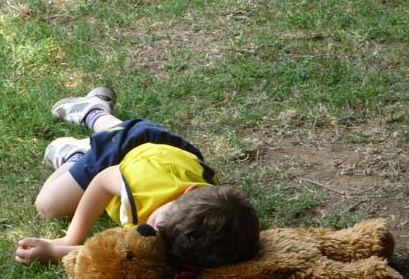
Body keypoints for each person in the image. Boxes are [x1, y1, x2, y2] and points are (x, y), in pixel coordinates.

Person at [15, 87, 260, 267]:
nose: (151, 235)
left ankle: (96, 116)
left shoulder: (205, 220)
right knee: (48, 206)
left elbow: (123, 252)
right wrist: (71, 239)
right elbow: (101, 182)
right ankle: (80, 143)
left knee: (117, 130)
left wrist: (55, 252)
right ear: (190, 191)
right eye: (157, 225)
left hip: (172, 154)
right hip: (124, 149)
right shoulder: (139, 187)